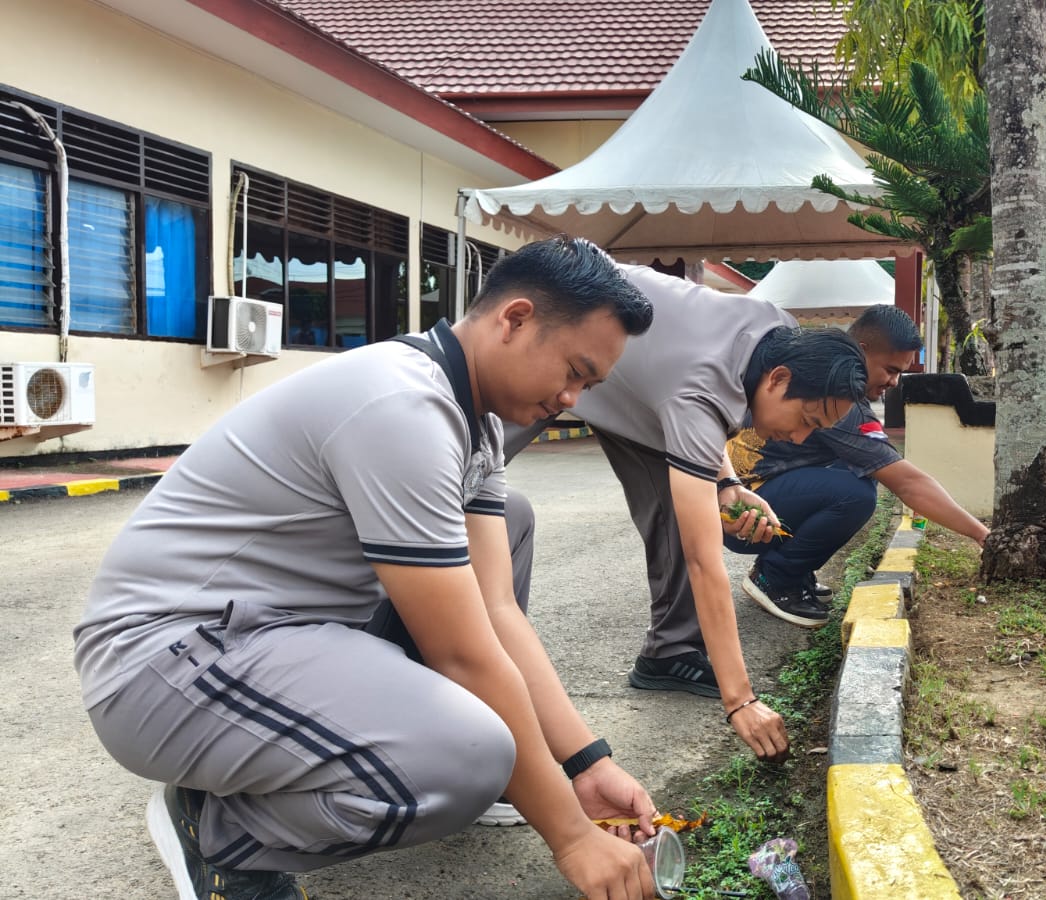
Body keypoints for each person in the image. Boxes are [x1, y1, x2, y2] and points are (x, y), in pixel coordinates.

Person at [74, 237, 664, 900]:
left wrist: (585, 763)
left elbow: (495, 612)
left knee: (510, 522)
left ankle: (316, 768)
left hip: (271, 637)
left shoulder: (476, 423)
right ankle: (222, 830)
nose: (573, 398)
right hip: (166, 665)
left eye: (589, 386)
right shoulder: (402, 405)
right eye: (575, 372)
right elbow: (463, 656)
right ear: (516, 319)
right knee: (468, 758)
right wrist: (572, 837)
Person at [564, 264, 868, 763]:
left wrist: (728, 484)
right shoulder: (698, 388)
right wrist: (741, 700)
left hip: (640, 381)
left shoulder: (780, 333)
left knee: (677, 503)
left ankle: (668, 653)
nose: (799, 439)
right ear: (779, 379)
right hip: (568, 314)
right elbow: (704, 559)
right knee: (472, 485)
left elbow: (708, 409)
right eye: (806, 420)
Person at [724, 305, 988, 625]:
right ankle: (776, 578)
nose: (894, 382)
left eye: (900, 373)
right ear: (862, 351)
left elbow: (895, 470)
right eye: (890, 369)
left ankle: (791, 568)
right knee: (855, 494)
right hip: (739, 514)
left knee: (860, 470)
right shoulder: (830, 397)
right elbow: (908, 483)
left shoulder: (823, 376)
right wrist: (982, 534)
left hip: (749, 495)